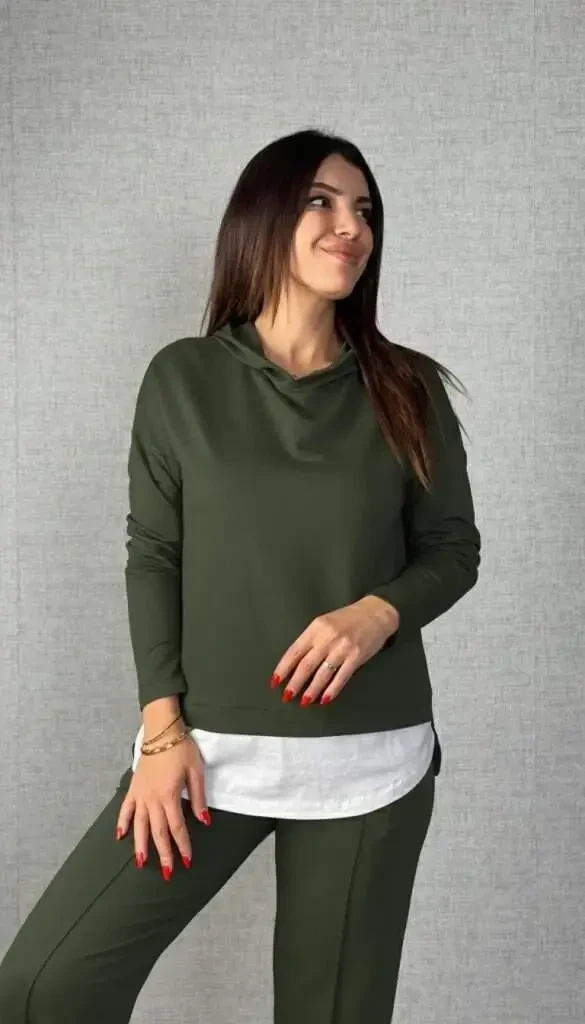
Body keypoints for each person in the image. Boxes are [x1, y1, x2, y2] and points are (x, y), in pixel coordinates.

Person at [0, 127, 481, 1024]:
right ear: (262, 219)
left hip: (368, 758)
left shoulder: (406, 388)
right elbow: (155, 554)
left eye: (364, 210)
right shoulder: (183, 379)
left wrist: (376, 613)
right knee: (43, 987)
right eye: (321, 202)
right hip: (202, 755)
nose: (351, 226)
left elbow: (453, 549)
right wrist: (160, 731)